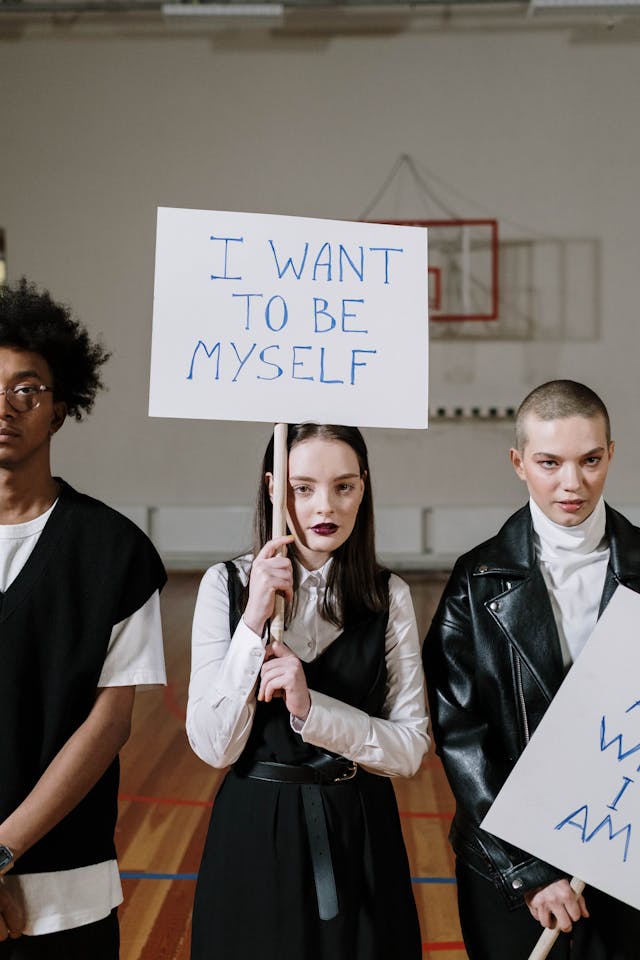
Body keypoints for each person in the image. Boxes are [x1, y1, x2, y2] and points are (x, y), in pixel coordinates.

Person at [187, 422, 429, 960]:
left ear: (363, 487)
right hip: (254, 831)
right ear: (274, 488)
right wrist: (251, 623)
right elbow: (213, 746)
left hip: (361, 832)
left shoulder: (390, 597)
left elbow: (410, 750)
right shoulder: (223, 586)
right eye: (303, 488)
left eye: (344, 486)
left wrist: (311, 708)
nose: (327, 506)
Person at [423, 379, 640, 960]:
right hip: (507, 869)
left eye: (590, 460)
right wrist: (529, 869)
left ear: (611, 455)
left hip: (627, 865)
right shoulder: (475, 582)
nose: (572, 483)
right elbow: (461, 737)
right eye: (550, 462)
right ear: (519, 462)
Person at [0, 279, 167, 958]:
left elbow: (109, 723)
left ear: (61, 409)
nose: (5, 404)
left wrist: (2, 852)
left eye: (27, 388)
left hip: (66, 891)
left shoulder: (115, 551)